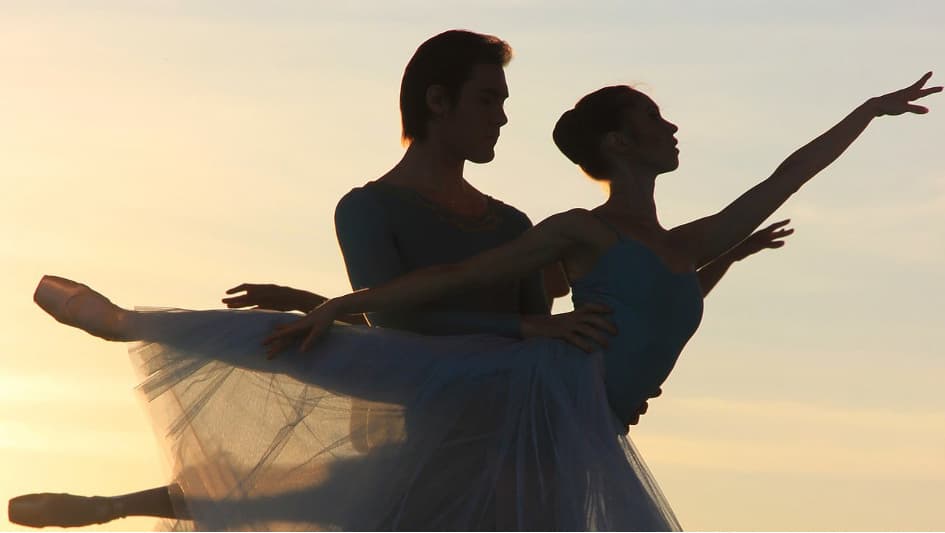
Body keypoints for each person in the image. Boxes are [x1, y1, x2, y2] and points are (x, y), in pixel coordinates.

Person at [12, 72, 936, 529]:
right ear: (618, 144)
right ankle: (130, 328)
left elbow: (783, 177)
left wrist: (866, 112)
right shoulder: (581, 229)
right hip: (537, 382)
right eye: (656, 121)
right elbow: (447, 285)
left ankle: (128, 502)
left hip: (595, 425)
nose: (674, 129)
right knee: (343, 379)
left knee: (368, 496)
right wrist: (339, 303)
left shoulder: (683, 246)